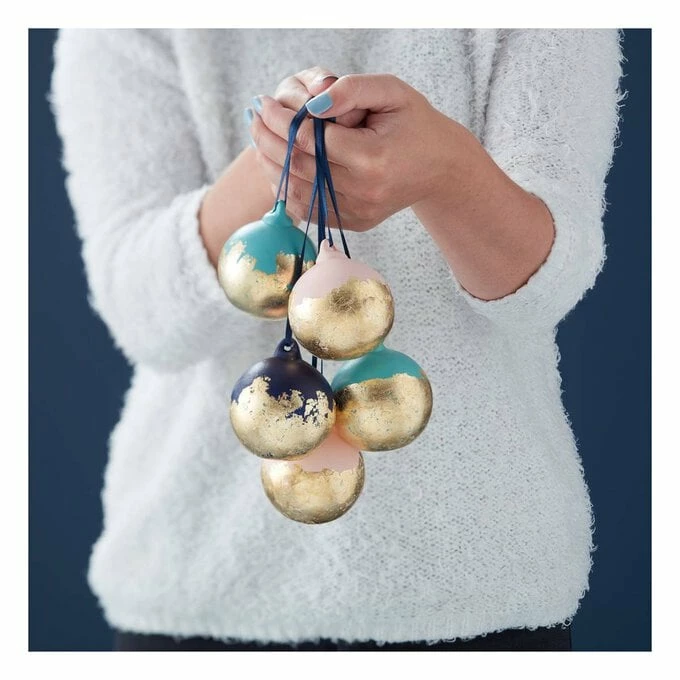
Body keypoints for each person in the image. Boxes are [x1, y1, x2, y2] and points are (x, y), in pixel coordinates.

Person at [50, 28, 624, 652]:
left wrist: (447, 172)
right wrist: (281, 157)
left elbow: (544, 289)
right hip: (196, 584)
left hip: (479, 582)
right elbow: (142, 314)